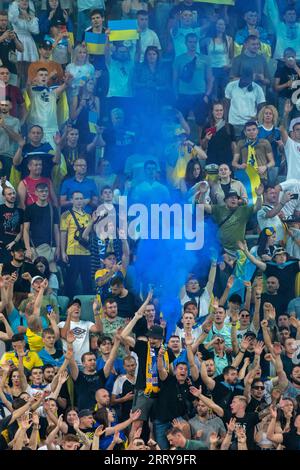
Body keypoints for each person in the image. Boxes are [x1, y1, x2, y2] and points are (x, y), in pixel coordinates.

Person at [202, 186, 264, 254]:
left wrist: (259, 196)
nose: (233, 199)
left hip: (239, 250)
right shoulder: (219, 209)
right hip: (222, 250)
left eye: (235, 198)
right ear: (225, 200)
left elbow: (258, 207)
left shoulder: (244, 210)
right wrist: (202, 194)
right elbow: (203, 206)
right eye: (231, 198)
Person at [173, 32, 213, 131]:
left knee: (201, 122)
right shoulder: (179, 59)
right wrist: (176, 94)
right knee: (181, 121)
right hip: (183, 94)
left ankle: (201, 144)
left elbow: (210, 78)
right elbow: (175, 79)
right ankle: (182, 144)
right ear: (186, 43)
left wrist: (207, 95)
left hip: (200, 94)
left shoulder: (205, 59)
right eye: (190, 42)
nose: (192, 44)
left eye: (195, 42)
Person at [60, 191, 92, 298]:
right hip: (72, 252)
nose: (79, 201)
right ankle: (69, 306)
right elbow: (63, 234)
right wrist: (63, 252)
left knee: (87, 282)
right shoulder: (66, 215)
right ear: (72, 200)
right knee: (70, 282)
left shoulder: (88, 216)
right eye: (77, 199)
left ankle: (89, 307)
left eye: (81, 198)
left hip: (86, 253)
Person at [23, 182, 60, 271]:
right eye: (41, 191)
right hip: (34, 247)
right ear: (36, 193)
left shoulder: (53, 209)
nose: (44, 193)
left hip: (50, 247)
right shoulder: (29, 209)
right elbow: (26, 230)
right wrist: (27, 248)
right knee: (34, 275)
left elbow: (56, 230)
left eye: (46, 191)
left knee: (51, 276)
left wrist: (58, 247)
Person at [57, 298, 102, 366]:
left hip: (85, 363)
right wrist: (69, 315)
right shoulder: (62, 324)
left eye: (78, 307)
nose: (77, 308)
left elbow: (98, 329)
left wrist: (96, 312)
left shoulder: (87, 323)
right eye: (74, 306)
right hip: (69, 363)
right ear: (67, 311)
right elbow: (64, 335)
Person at [224, 67, 265, 139]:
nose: (248, 81)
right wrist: (226, 122)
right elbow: (226, 105)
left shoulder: (257, 88)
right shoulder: (231, 86)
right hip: (234, 123)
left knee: (250, 148)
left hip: (250, 124)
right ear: (241, 76)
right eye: (246, 78)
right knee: (235, 147)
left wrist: (256, 118)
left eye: (250, 79)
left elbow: (262, 107)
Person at [201, 18, 233, 100]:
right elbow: (202, 54)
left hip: (224, 69)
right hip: (212, 69)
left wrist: (229, 65)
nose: (221, 26)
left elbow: (232, 56)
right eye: (219, 24)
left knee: (224, 93)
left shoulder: (229, 39)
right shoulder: (208, 40)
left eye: (223, 24)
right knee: (213, 93)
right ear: (215, 26)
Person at [201, 101, 236, 167]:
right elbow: (203, 147)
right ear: (212, 112)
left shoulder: (230, 127)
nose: (219, 112)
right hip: (212, 161)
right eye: (216, 110)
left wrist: (235, 161)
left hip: (227, 161)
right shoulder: (207, 126)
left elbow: (234, 146)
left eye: (221, 110)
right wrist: (206, 139)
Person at [257, 105, 283, 185]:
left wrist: (281, 145)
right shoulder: (257, 129)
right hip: (260, 163)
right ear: (262, 115)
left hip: (274, 163)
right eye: (266, 113)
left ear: (273, 116)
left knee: (271, 187)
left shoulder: (278, 131)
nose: (268, 115)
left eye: (270, 114)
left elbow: (281, 151)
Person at [273, 47, 300, 118]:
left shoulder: (298, 67)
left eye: (293, 57)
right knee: (284, 121)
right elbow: (275, 88)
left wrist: (295, 67)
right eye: (288, 57)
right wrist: (286, 84)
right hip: (284, 99)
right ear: (284, 58)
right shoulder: (280, 69)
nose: (291, 59)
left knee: (297, 122)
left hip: (297, 100)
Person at [0, 185, 24, 264]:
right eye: (9, 194)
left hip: (16, 246)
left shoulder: (20, 211)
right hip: (2, 246)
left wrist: (14, 242)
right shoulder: (1, 209)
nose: (12, 195)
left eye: (13, 193)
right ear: (4, 196)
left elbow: (22, 230)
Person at [0, 98, 22, 179]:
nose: (4, 107)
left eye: (6, 105)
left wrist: (4, 126)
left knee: (5, 183)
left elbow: (17, 138)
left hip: (7, 155)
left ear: (11, 106)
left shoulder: (15, 121)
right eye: (2, 105)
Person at [0, 10, 24, 86]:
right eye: (1, 20)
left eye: (5, 20)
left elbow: (21, 49)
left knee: (12, 94)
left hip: (11, 70)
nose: (4, 22)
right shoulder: (4, 34)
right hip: (0, 70)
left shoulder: (11, 32)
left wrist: (15, 39)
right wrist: (2, 37)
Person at [280, 100, 300, 182]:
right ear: (293, 132)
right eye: (297, 130)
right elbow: (282, 129)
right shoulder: (290, 144)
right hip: (292, 183)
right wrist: (286, 113)